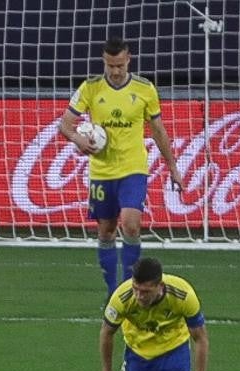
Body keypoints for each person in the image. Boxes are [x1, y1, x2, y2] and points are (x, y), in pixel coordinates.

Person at [58, 36, 185, 298]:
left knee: (131, 225)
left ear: (128, 59)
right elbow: (65, 124)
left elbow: (158, 130)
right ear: (104, 62)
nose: (115, 71)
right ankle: (112, 292)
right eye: (110, 66)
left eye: (119, 66)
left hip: (133, 169)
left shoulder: (145, 89)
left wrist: (173, 167)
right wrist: (78, 139)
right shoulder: (90, 88)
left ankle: (129, 290)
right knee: (106, 230)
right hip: (102, 171)